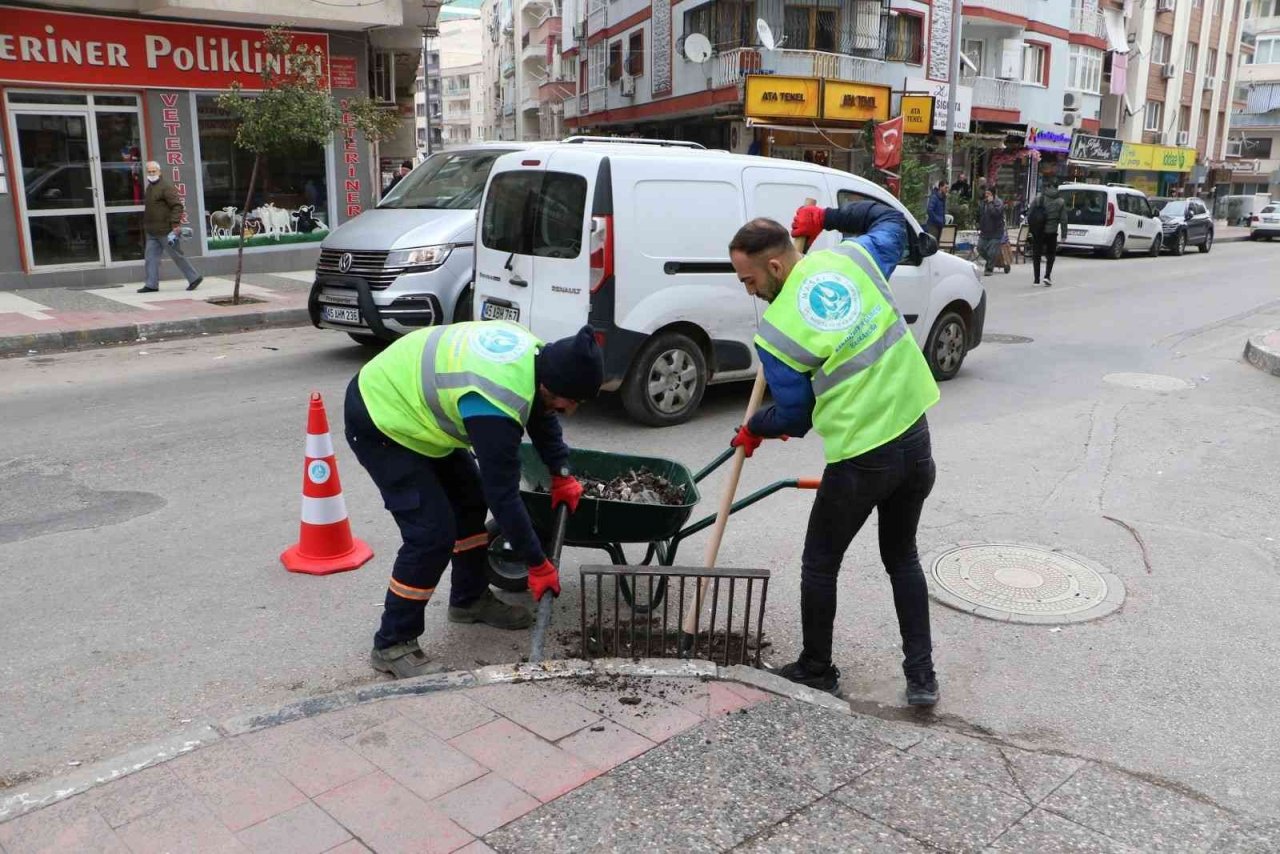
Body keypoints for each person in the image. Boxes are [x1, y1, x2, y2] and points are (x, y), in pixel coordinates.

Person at [727, 202, 941, 706]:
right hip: (915, 439)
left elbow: (795, 417)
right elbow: (891, 223)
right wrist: (829, 216)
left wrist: (757, 426)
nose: (749, 290)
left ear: (775, 266)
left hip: (864, 456)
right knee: (902, 556)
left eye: (748, 279)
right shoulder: (851, 260)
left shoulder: (777, 332)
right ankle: (922, 678)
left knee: (820, 563)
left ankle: (817, 669)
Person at [344, 321, 604, 678]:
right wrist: (537, 563)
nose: (570, 410)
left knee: (469, 501)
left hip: (418, 409)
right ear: (550, 384)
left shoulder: (539, 356)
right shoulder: (496, 400)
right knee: (430, 534)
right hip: (382, 417)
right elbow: (504, 496)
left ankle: (468, 600)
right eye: (570, 401)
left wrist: (560, 471)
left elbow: (540, 414)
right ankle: (393, 643)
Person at [138, 161, 202, 294]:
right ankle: (151, 284)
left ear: (159, 172)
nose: (151, 174)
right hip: (152, 231)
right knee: (150, 258)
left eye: (153, 171)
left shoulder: (165, 187)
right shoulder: (150, 188)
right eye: (149, 172)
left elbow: (177, 206)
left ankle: (194, 277)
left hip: (166, 230)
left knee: (176, 255)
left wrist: (174, 223)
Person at [1027, 183, 1068, 286]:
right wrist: (1064, 234)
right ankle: (1047, 276)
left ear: (1047, 187)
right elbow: (1064, 220)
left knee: (1036, 255)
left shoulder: (1038, 198)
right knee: (1051, 255)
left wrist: (1032, 229)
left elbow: (1030, 214)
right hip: (1052, 232)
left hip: (1039, 232)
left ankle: (1036, 279)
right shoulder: (1060, 202)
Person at [977, 189, 1006, 277]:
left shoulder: (998, 203)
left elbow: (996, 214)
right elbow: (979, 215)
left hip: (996, 231)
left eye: (988, 194)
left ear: (993, 195)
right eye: (986, 193)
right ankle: (993, 261)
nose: (986, 195)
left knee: (992, 252)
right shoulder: (983, 203)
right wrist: (978, 224)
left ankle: (989, 268)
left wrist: (990, 203)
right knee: (980, 248)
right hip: (984, 231)